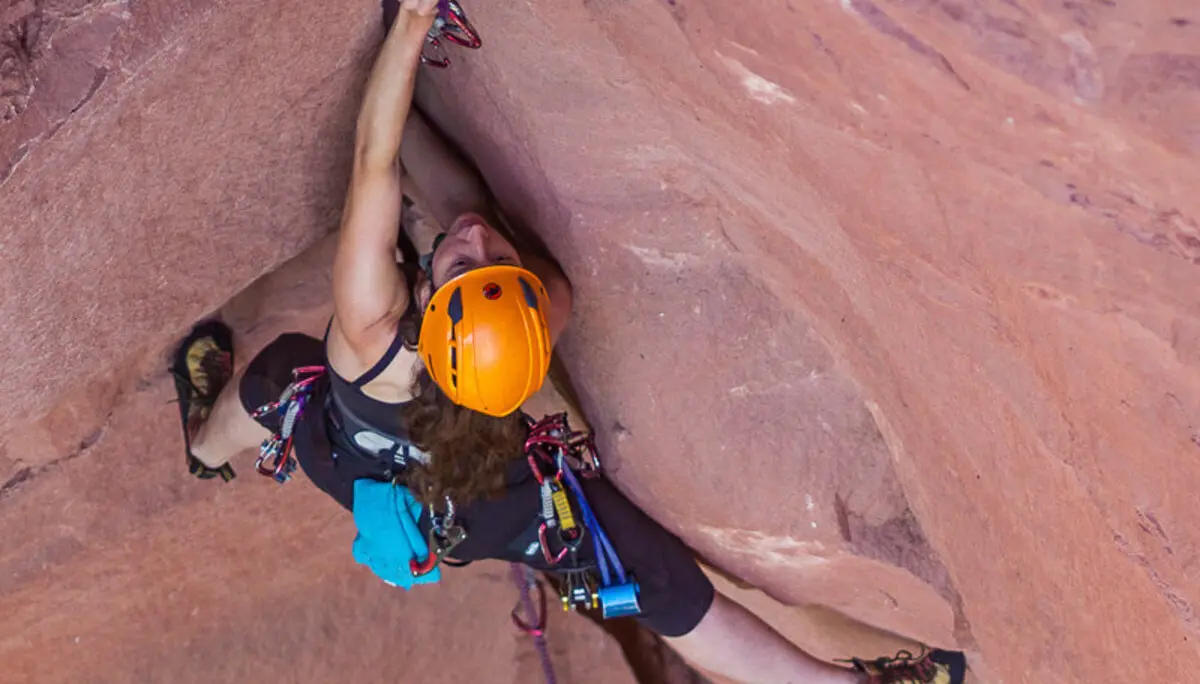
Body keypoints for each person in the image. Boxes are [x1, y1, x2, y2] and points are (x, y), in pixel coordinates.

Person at [167, 1, 967, 682]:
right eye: (484, 260)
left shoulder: (371, 333)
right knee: (669, 592)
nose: (476, 241)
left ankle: (207, 443)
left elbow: (371, 157)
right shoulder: (539, 305)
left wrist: (411, 21)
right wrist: (409, 103)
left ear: (430, 308)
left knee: (280, 378)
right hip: (483, 509)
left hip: (353, 459)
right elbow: (458, 201)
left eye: (464, 264)